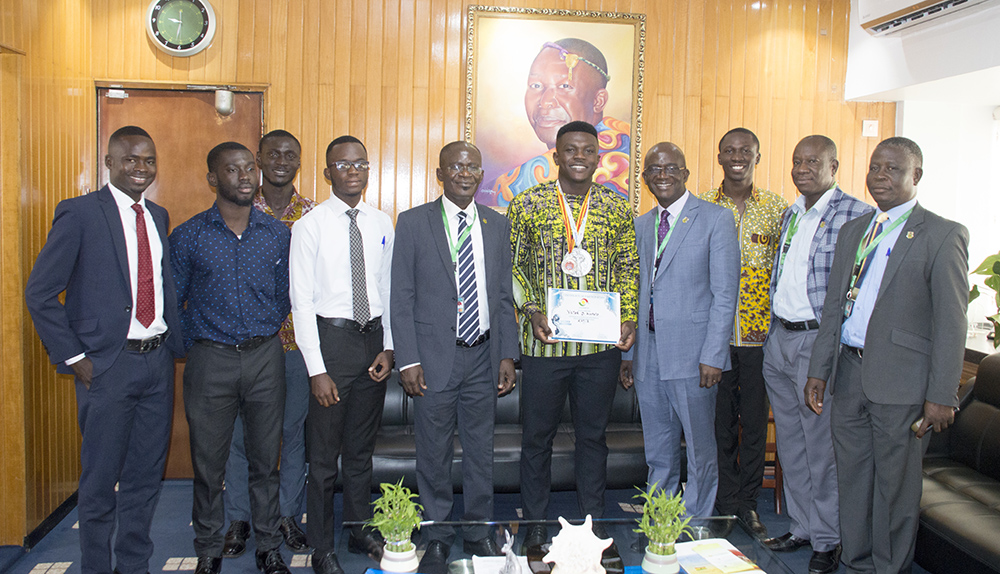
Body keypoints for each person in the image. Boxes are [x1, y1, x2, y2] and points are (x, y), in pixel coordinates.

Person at [805, 137, 968, 574]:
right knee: (854, 481)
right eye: (875, 167)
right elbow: (834, 309)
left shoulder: (942, 234)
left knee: (895, 488)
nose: (881, 176)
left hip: (902, 383)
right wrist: (819, 371)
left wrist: (942, 394)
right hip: (849, 374)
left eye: (893, 169)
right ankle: (857, 564)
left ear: (916, 176)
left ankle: (889, 568)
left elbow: (952, 324)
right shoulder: (856, 230)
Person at [25, 126, 183, 574]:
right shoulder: (79, 214)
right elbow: (40, 293)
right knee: (98, 484)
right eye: (130, 159)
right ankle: (95, 567)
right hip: (107, 367)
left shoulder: (159, 215)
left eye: (148, 160)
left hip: (157, 362)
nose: (141, 168)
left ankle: (133, 566)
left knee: (144, 479)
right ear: (109, 162)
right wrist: (76, 358)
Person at [509, 121, 638, 570]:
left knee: (592, 440)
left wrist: (629, 317)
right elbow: (515, 268)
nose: (579, 156)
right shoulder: (528, 204)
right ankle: (537, 527)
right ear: (556, 155)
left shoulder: (616, 207)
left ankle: (593, 526)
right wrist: (530, 311)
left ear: (598, 157)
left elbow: (627, 265)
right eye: (570, 149)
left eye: (587, 149)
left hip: (599, 351)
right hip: (545, 348)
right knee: (537, 440)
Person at [391, 141, 519, 574]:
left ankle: (479, 528)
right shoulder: (412, 223)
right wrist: (407, 360)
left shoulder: (496, 225)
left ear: (481, 174)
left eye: (473, 166)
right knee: (434, 452)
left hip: (483, 356)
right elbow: (401, 297)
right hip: (432, 360)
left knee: (481, 449)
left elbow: (503, 296)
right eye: (456, 166)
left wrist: (508, 356)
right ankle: (438, 534)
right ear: (441, 173)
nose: (465, 173)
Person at [170, 142, 291, 574]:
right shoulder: (188, 236)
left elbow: (282, 299)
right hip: (209, 362)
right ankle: (207, 548)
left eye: (249, 168)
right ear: (212, 179)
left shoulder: (277, 234)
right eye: (233, 169)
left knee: (265, 462)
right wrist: (198, 348)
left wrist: (260, 333)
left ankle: (269, 546)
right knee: (208, 464)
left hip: (264, 359)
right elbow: (174, 303)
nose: (244, 176)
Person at [761, 136, 873, 574]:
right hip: (780, 340)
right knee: (790, 444)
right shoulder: (792, 213)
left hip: (817, 345)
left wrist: (827, 357)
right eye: (797, 161)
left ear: (834, 166)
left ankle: (828, 539)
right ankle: (802, 526)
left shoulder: (856, 216)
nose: (803, 168)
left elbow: (853, 294)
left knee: (821, 448)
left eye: (813, 162)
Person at [289, 136, 395, 574]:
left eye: (361, 164)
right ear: (329, 171)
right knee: (323, 457)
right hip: (330, 344)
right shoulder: (309, 225)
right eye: (343, 164)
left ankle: (357, 528)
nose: (353, 171)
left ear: (369, 170)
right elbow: (301, 300)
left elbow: (387, 289)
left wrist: (389, 345)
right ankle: (320, 547)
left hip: (372, 343)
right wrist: (317, 370)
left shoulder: (381, 222)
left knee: (359, 453)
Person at [620, 142, 739, 520]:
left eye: (671, 168)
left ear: (685, 174)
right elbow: (633, 293)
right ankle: (662, 518)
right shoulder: (641, 225)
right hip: (649, 353)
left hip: (694, 355)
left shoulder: (716, 219)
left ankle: (698, 521)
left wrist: (713, 356)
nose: (663, 175)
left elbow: (725, 295)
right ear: (645, 178)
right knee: (658, 445)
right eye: (654, 169)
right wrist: (628, 354)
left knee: (700, 446)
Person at [221, 130, 315, 556]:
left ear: (299, 162)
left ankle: (287, 515)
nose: (281, 160)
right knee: (241, 437)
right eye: (273, 154)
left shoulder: (313, 215)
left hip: (297, 345)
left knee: (292, 434)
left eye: (290, 155)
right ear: (258, 159)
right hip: (247, 346)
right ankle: (239, 518)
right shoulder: (237, 208)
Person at [699, 127, 787, 537]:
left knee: (753, 426)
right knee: (717, 426)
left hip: (759, 339)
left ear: (757, 156)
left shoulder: (779, 210)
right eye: (729, 151)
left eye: (745, 151)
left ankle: (748, 505)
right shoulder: (699, 206)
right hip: (711, 340)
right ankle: (725, 502)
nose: (737, 157)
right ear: (719, 157)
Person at [484, 38, 631, 206]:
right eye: (536, 85)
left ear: (598, 101)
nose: (545, 101)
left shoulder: (622, 146)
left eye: (565, 86)